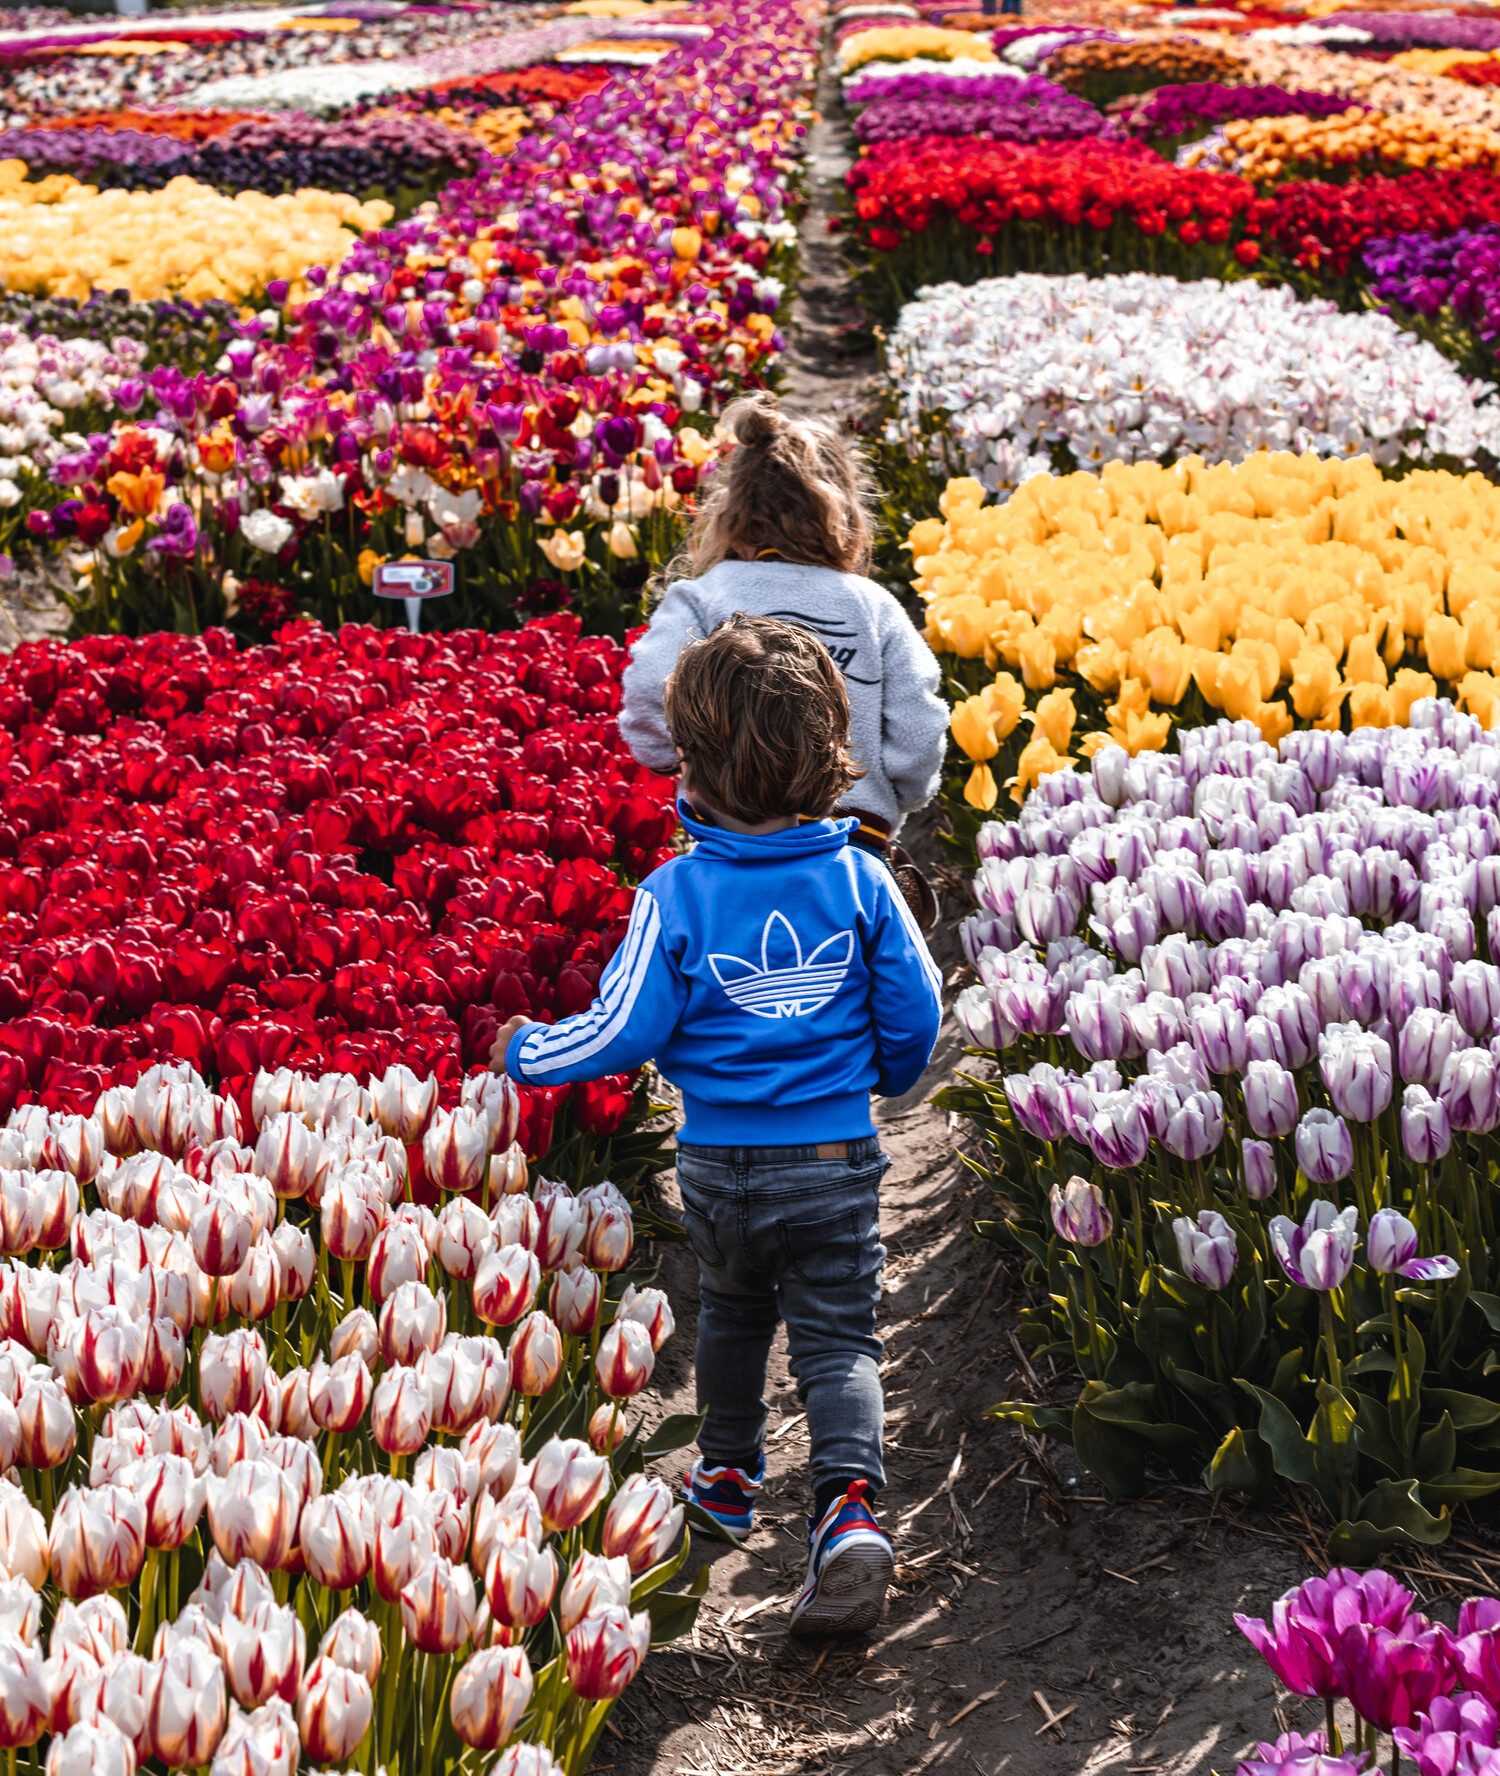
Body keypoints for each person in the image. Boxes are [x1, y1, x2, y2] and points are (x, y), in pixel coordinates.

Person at [490, 615, 943, 1636]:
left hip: (718, 1162)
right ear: (833, 757)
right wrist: (888, 1077)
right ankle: (849, 1510)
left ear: (688, 763)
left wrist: (524, 1052)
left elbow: (622, 1030)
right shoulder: (862, 882)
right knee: (837, 1341)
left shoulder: (674, 893)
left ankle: (728, 1479)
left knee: (735, 1313)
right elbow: (917, 1013)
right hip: (833, 1157)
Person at [619, 393, 949, 927]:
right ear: (843, 509)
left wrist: (677, 763)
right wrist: (896, 797)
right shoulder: (873, 606)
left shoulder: (704, 597)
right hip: (854, 843)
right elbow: (920, 724)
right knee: (863, 974)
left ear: (730, 510)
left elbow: (646, 699)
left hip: (732, 838)